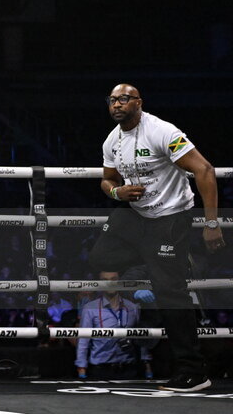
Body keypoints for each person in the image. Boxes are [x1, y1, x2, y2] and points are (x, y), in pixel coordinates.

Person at [90, 84, 224, 392]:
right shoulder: (112, 140)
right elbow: (107, 179)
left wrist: (211, 222)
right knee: (100, 258)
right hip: (136, 215)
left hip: (170, 218)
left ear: (138, 102)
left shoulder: (162, 131)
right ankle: (159, 259)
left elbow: (204, 169)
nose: (116, 104)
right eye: (112, 100)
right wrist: (117, 191)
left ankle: (193, 371)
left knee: (169, 292)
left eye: (123, 99)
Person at [75, 271, 152, 381]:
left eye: (114, 279)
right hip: (100, 369)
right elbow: (83, 340)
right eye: (105, 280)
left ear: (119, 282)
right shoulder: (90, 308)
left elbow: (141, 337)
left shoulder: (132, 307)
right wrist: (81, 368)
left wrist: (146, 364)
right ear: (100, 283)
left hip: (128, 368)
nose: (110, 283)